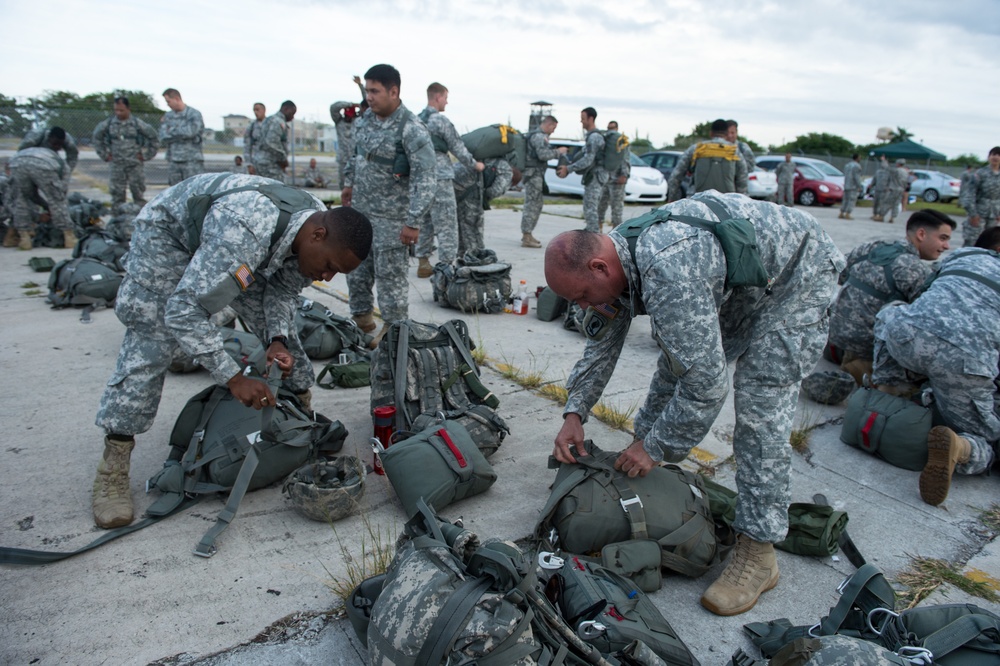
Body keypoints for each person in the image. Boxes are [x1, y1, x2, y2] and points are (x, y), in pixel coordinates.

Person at [545, 192, 844, 616]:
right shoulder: (613, 259)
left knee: (760, 403)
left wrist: (654, 447)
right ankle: (657, 485)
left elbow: (705, 388)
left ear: (599, 267)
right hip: (746, 279)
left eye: (581, 296)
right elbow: (602, 346)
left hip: (799, 277)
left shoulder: (668, 270)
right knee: (677, 362)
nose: (582, 306)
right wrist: (574, 413)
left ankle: (759, 551)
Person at [91, 173, 372, 529]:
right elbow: (183, 310)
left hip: (235, 248)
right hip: (169, 241)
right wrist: (234, 377)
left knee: (286, 348)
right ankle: (113, 465)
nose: (326, 278)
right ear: (317, 236)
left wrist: (276, 340)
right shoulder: (245, 230)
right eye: (330, 267)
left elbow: (281, 294)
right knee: (153, 339)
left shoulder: (315, 229)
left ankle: (300, 421)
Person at [872, 227, 1000, 507]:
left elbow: (922, 294)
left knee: (891, 312)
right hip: (964, 362)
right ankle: (962, 448)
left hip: (908, 337)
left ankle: (888, 386)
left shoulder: (963, 255)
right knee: (988, 439)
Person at [342, 64, 435, 341]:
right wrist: (349, 182)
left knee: (391, 280)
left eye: (375, 91)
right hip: (361, 212)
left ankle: (394, 332)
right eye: (367, 90)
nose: (369, 96)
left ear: (394, 92)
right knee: (356, 271)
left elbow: (426, 178)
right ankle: (361, 320)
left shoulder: (412, 128)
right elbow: (356, 154)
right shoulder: (365, 120)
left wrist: (413, 221)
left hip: (393, 221)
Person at [828, 210, 955, 383]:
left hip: (834, 337)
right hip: (867, 348)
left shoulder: (873, 247)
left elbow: (839, 276)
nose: (947, 246)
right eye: (943, 238)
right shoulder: (914, 268)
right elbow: (929, 319)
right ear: (921, 234)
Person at [414, 82, 484, 278]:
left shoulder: (416, 120)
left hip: (420, 178)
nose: (447, 101)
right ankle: (446, 267)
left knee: (426, 220)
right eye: (445, 97)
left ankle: (423, 261)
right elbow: (457, 147)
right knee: (447, 224)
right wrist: (474, 164)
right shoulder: (440, 121)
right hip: (440, 177)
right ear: (437, 97)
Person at [8, 127, 75, 250]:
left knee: (20, 199)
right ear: (49, 138)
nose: (57, 147)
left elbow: (32, 195)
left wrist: (45, 205)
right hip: (43, 164)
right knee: (57, 200)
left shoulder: (65, 145)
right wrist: (54, 208)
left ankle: (24, 239)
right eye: (55, 144)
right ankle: (68, 237)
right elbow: (60, 196)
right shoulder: (63, 167)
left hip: (17, 163)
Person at [92, 96, 159, 207]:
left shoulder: (138, 124)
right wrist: (104, 155)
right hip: (117, 164)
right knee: (117, 195)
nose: (118, 113)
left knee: (138, 194)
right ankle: (118, 221)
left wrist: (147, 155)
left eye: (121, 110)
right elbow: (96, 138)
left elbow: (154, 138)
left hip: (134, 165)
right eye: (116, 110)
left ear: (128, 109)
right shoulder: (108, 124)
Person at [667, 119, 747, 202]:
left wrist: (672, 199)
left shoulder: (697, 149)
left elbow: (675, 177)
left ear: (711, 133)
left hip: (697, 201)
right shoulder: (734, 151)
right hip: (726, 203)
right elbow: (743, 180)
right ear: (726, 134)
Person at [555, 107, 606, 232]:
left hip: (595, 177)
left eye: (583, 118)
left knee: (590, 209)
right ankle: (592, 234)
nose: (581, 121)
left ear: (591, 118)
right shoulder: (593, 136)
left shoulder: (594, 137)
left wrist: (569, 169)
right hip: (596, 176)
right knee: (591, 209)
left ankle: (593, 238)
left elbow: (588, 160)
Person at [454, 157, 518, 255]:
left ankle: (462, 257)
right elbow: (495, 191)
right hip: (472, 196)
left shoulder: (480, 157)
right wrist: (484, 196)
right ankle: (474, 259)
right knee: (473, 230)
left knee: (460, 229)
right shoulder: (505, 169)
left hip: (455, 188)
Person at [520, 114, 567, 248]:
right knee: (532, 204)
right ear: (549, 124)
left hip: (536, 174)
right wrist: (558, 152)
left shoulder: (537, 136)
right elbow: (543, 155)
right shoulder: (539, 137)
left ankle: (528, 234)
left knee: (536, 203)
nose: (554, 130)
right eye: (554, 127)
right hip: (533, 174)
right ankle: (526, 236)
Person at [159, 88, 205, 185]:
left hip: (192, 161)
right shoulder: (168, 116)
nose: (168, 105)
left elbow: (190, 132)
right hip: (173, 160)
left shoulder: (194, 114)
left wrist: (171, 131)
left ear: (176, 99)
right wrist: (181, 133)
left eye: (168, 101)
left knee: (194, 188)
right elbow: (163, 135)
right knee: (175, 192)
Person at [330, 76, 368, 190]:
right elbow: (334, 107)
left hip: (357, 160)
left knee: (358, 188)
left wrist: (361, 86)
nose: (347, 117)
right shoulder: (339, 122)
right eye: (346, 114)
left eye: (350, 114)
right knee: (343, 187)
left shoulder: (359, 121)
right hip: (343, 160)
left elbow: (367, 103)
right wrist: (350, 104)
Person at [597, 120, 631, 229]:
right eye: (608, 128)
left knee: (616, 208)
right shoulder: (606, 140)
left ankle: (616, 233)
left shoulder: (621, 141)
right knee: (601, 205)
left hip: (617, 179)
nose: (610, 130)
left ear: (617, 128)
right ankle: (597, 230)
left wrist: (624, 175)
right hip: (605, 178)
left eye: (612, 128)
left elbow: (625, 159)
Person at [963, 147, 1000, 247]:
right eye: (993, 154)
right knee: (972, 242)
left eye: (998, 155)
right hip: (979, 213)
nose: (996, 157)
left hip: (994, 215)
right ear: (989, 157)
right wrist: (973, 214)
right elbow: (969, 194)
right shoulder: (980, 173)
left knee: (991, 242)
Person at [255, 101, 296, 183]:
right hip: (270, 165)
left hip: (261, 162)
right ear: (285, 109)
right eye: (292, 113)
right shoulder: (279, 122)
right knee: (276, 190)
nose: (293, 117)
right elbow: (272, 142)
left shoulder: (269, 119)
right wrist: (283, 159)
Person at [883, 159, 908, 224]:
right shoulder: (905, 172)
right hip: (901, 189)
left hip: (894, 188)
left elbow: (887, 168)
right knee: (896, 204)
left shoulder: (896, 170)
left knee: (887, 202)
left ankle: (881, 215)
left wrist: (884, 161)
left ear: (898, 164)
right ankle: (892, 217)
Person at [243, 102, 266, 175]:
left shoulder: (272, 125)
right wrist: (249, 165)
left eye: (258, 110)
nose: (256, 112)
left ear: (264, 110)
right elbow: (247, 147)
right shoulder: (251, 127)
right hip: (256, 164)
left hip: (269, 165)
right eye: (254, 110)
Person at [839, 153, 862, 219]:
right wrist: (859, 186)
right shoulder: (857, 166)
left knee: (845, 199)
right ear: (857, 158)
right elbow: (856, 177)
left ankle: (841, 212)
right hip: (853, 186)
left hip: (846, 185)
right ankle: (848, 213)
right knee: (851, 200)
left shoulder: (847, 165)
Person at [871, 156, 891, 221]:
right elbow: (875, 179)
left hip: (884, 190)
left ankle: (880, 215)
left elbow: (891, 181)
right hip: (877, 189)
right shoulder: (878, 171)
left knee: (882, 203)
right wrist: (871, 184)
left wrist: (889, 188)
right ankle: (875, 214)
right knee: (875, 203)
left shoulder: (889, 173)